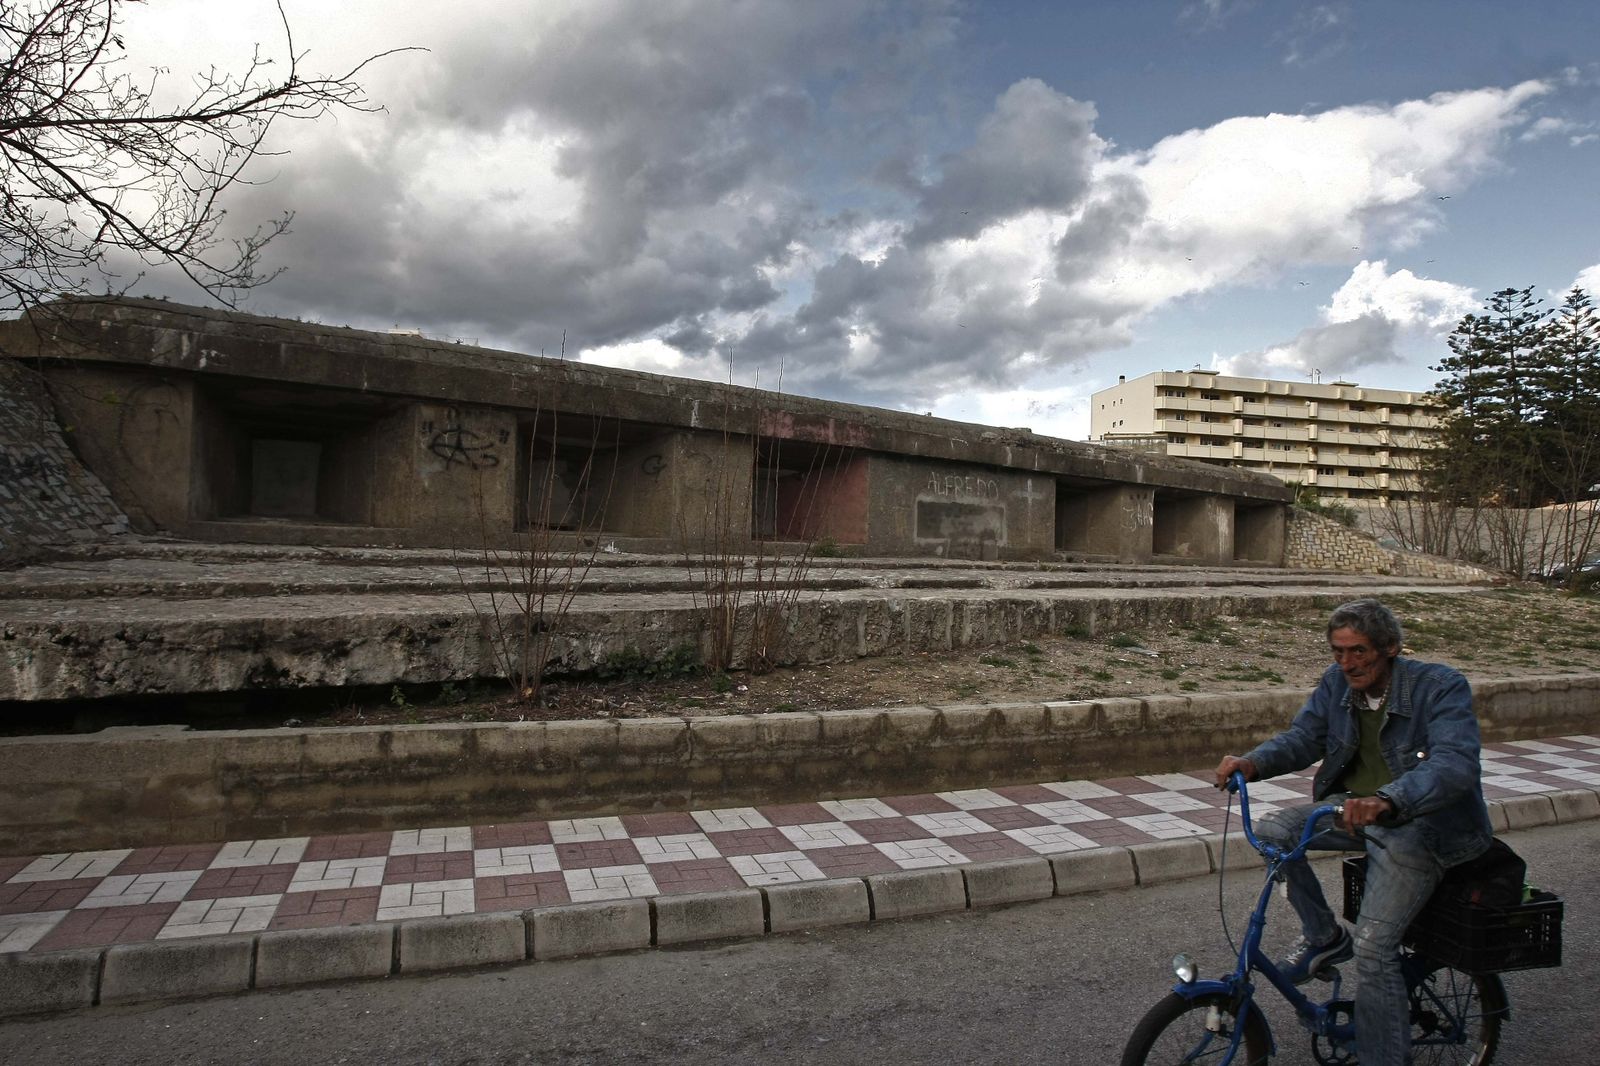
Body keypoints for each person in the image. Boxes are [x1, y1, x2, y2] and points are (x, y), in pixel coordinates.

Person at [1214, 598, 1493, 1066]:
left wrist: (1389, 799)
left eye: (1359, 651)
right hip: (1355, 813)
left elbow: (1454, 764)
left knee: (1374, 947)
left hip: (1423, 827)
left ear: (1390, 648)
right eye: (1338, 652)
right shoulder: (1336, 684)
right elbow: (1305, 738)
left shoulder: (1440, 686)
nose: (1347, 663)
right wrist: (1253, 762)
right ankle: (1324, 937)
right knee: (1275, 830)